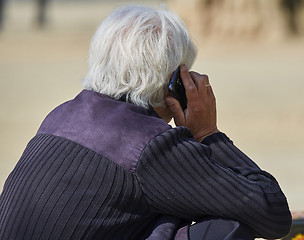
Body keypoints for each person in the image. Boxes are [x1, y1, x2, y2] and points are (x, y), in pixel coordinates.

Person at [0, 5, 291, 240]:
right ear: (176, 83)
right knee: (227, 227)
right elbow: (273, 215)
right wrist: (207, 133)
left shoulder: (61, 116)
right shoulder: (150, 145)